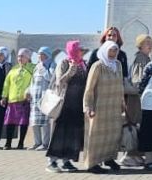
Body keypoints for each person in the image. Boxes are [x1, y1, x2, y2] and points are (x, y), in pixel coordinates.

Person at [46, 40, 87, 173]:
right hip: (64, 104)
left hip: (77, 104)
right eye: (78, 50)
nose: (80, 52)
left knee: (73, 133)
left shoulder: (83, 64)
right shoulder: (64, 63)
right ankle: (51, 161)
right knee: (59, 132)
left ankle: (67, 160)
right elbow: (60, 82)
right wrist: (71, 70)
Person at [83, 41, 124, 174]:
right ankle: (91, 163)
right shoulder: (98, 66)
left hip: (114, 107)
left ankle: (109, 158)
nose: (113, 53)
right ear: (105, 51)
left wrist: (123, 104)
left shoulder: (118, 65)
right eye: (111, 50)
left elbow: (121, 85)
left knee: (112, 134)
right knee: (96, 136)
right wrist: (88, 106)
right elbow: (89, 89)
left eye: (115, 50)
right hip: (99, 107)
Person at [121, 34, 152, 167]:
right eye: (146, 43)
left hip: (138, 99)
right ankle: (129, 156)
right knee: (133, 126)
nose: (150, 45)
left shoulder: (144, 57)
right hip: (136, 100)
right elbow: (137, 81)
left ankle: (135, 155)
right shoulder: (141, 58)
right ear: (140, 45)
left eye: (150, 42)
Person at [1, 48, 35, 149]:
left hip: (25, 100)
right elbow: (7, 83)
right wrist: (4, 96)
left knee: (23, 122)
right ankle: (8, 143)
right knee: (9, 122)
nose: (20, 58)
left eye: (22, 56)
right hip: (12, 99)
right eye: (19, 56)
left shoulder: (33, 68)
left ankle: (21, 143)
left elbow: (34, 82)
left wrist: (29, 92)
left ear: (28, 58)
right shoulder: (13, 69)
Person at [28, 46, 55, 151]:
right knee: (34, 121)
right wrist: (29, 91)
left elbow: (52, 78)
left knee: (44, 122)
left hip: (45, 97)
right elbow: (32, 81)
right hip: (35, 97)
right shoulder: (37, 66)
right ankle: (37, 142)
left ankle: (45, 143)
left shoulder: (51, 65)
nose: (40, 56)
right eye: (39, 54)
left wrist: (44, 70)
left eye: (43, 54)